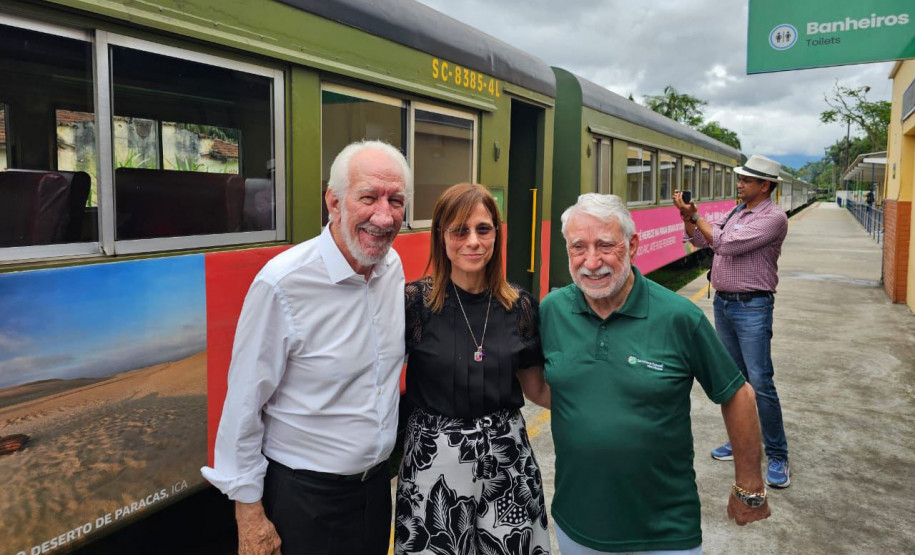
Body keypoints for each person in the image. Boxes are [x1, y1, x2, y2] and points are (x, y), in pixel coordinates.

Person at [201, 140, 411, 555]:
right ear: (333, 202)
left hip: (374, 492)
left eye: (396, 201)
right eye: (368, 197)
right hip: (306, 501)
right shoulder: (282, 284)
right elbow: (243, 404)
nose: (384, 216)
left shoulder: (392, 268)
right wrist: (249, 515)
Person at [540, 193, 770, 554]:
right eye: (578, 247)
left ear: (632, 244)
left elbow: (738, 395)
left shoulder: (679, 317)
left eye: (605, 246)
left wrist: (750, 486)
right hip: (576, 526)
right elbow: (541, 382)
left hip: (664, 532)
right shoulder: (552, 311)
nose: (592, 262)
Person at [395, 183, 551, 555]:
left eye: (483, 229)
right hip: (433, 462)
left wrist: (604, 403)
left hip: (507, 460)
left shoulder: (520, 306)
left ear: (496, 233)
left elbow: (536, 389)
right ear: (441, 235)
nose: (473, 242)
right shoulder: (414, 304)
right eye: (459, 231)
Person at [674, 154, 791, 489]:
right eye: (740, 179)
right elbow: (702, 241)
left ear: (765, 185)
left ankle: (778, 454)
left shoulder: (773, 218)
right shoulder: (738, 211)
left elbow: (725, 243)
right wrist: (688, 219)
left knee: (760, 381)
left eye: (746, 180)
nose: (739, 184)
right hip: (725, 305)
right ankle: (741, 441)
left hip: (752, 307)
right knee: (735, 381)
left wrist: (697, 216)